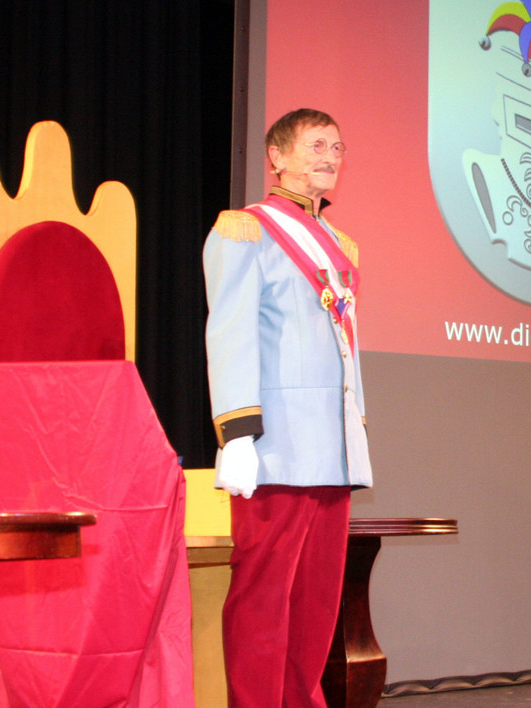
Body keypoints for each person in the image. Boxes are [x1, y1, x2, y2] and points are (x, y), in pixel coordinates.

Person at [203, 108, 372, 707]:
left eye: (337, 146)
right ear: (276, 156)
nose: (331, 156)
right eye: (316, 145)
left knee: (315, 604)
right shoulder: (245, 230)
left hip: (331, 447)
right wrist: (238, 434)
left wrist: (354, 433)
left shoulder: (340, 244)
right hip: (275, 444)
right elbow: (229, 333)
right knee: (263, 598)